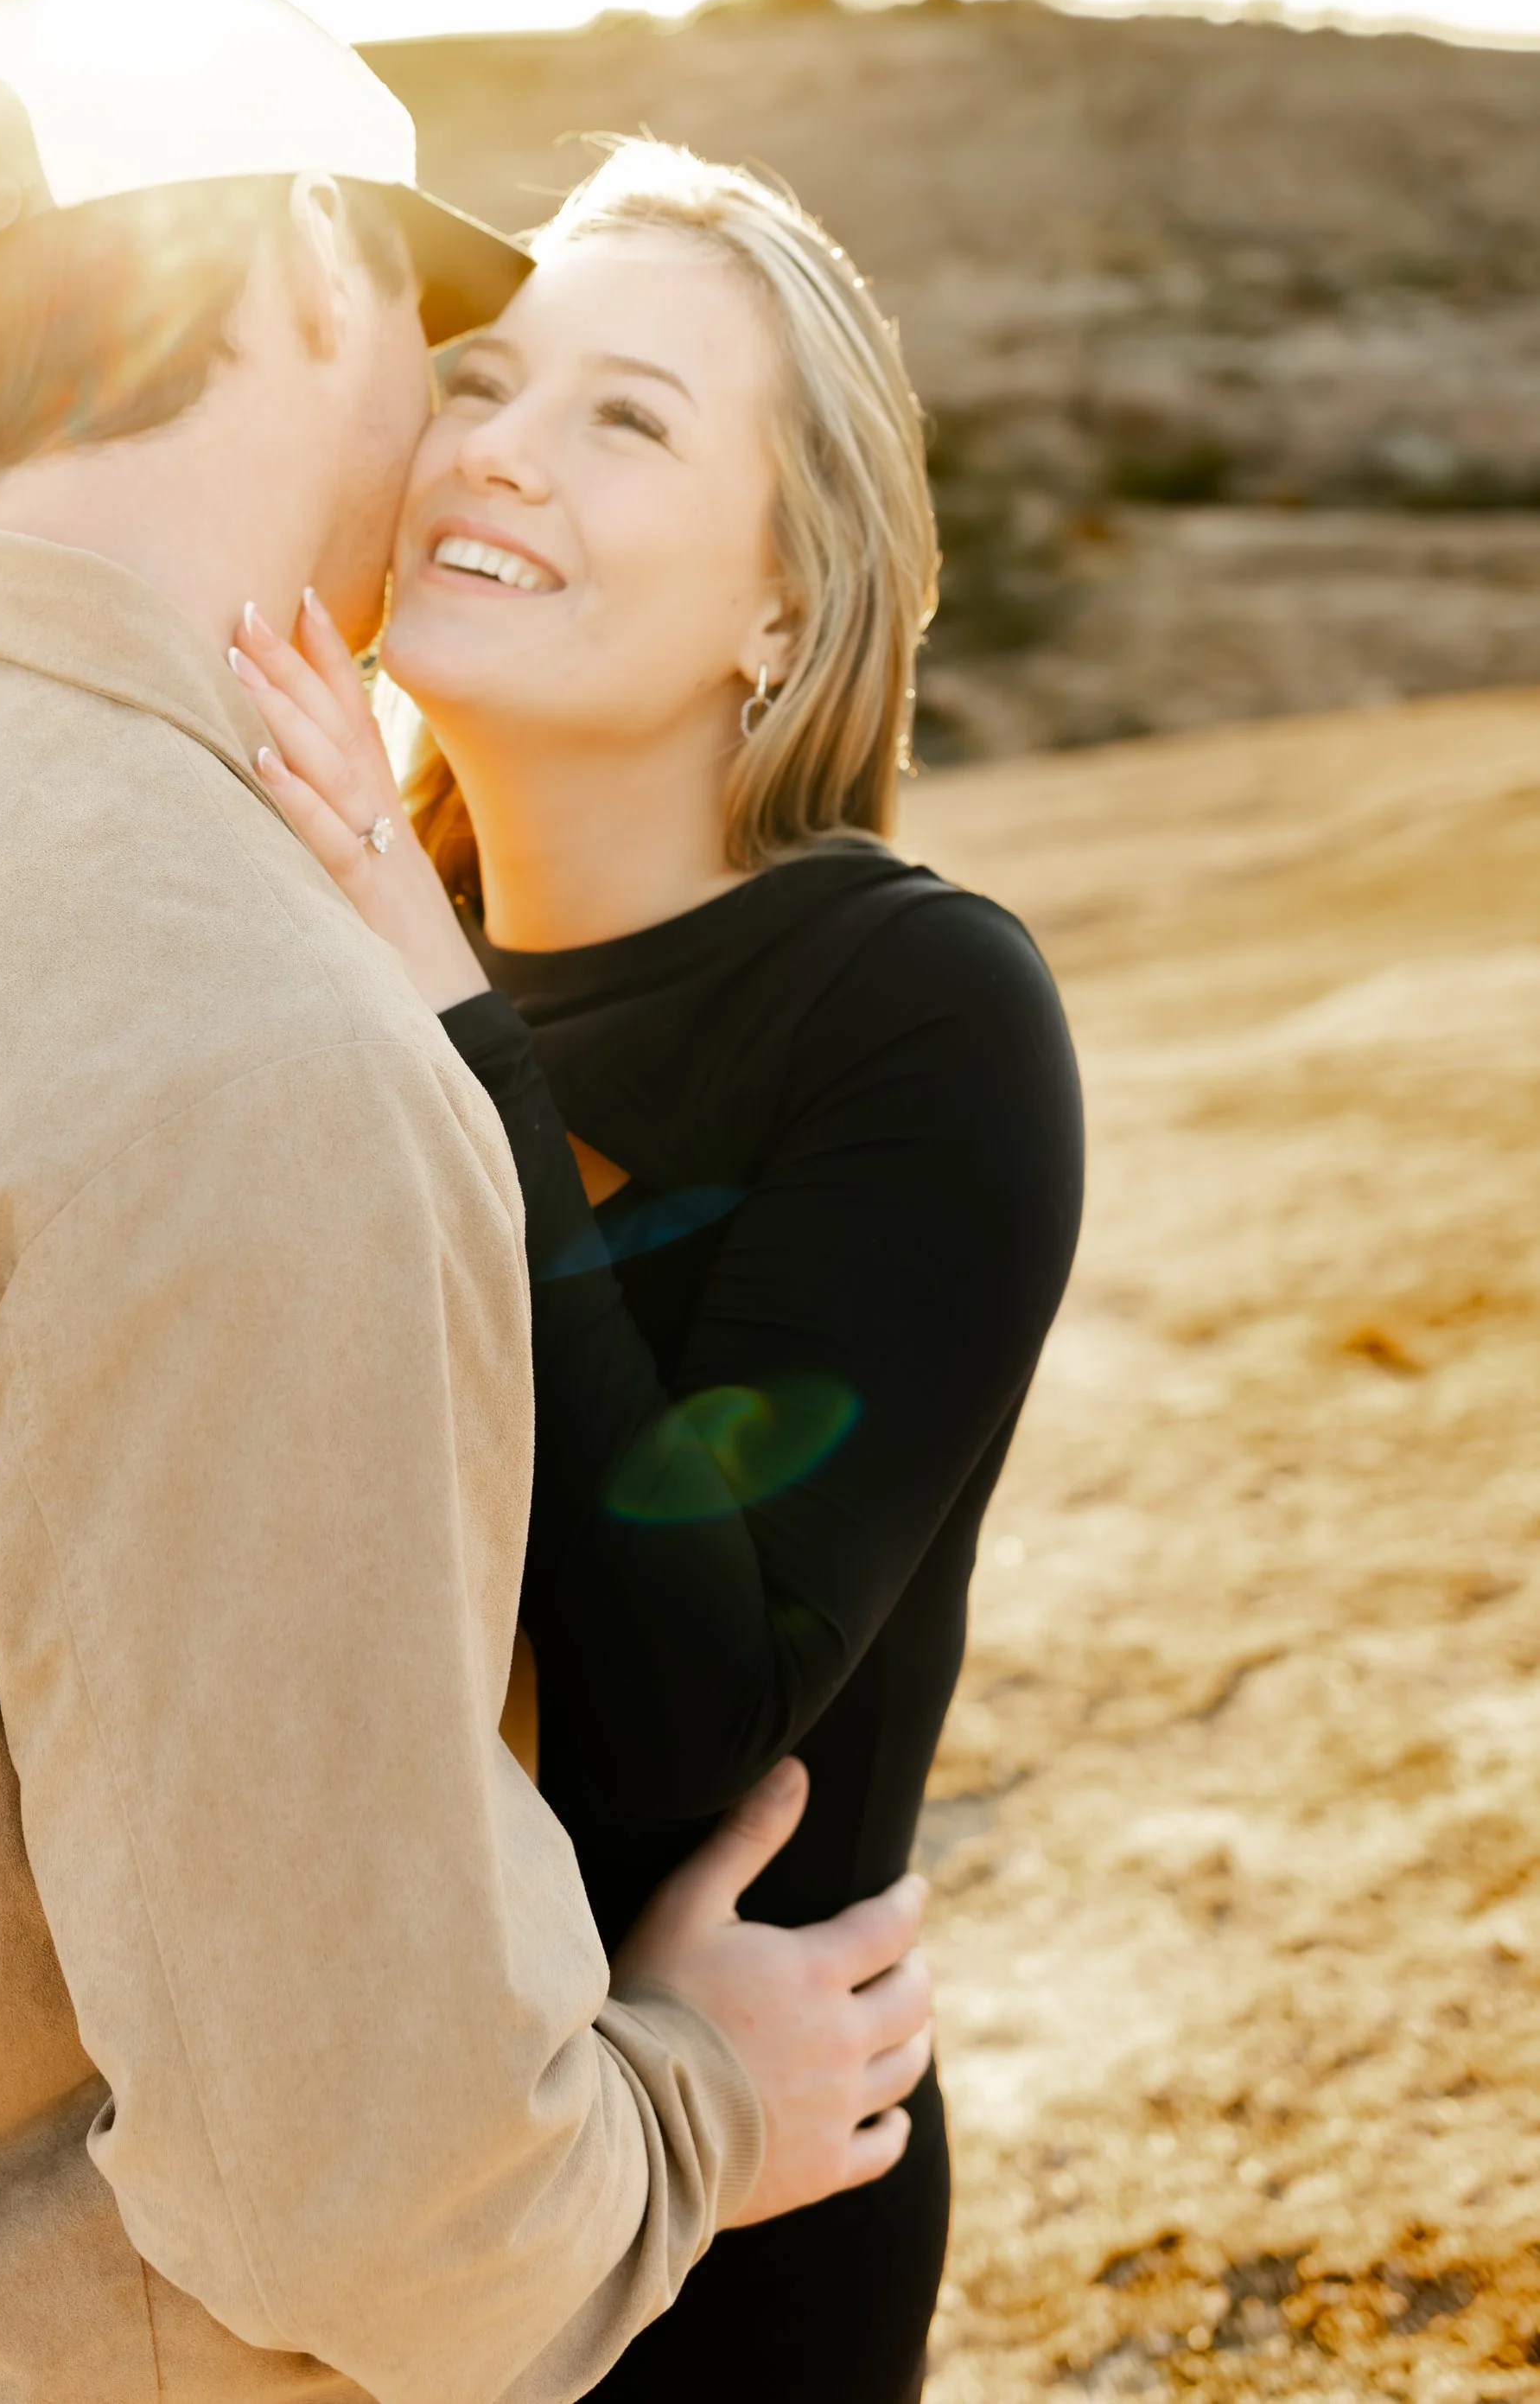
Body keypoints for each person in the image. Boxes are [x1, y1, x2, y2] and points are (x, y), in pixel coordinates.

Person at [0, 0, 937, 2404]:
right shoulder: (246, 1043)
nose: (444, 420)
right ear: (297, 271)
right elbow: (365, 2195)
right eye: (431, 323)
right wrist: (695, 2100)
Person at [233, 139, 1086, 2404]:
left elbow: (680, 1703)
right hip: (336, 2199)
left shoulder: (912, 1007)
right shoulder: (301, 942)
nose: (497, 442)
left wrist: (435, 1014)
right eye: (482, 378)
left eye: (625, 415)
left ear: (785, 607)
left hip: (732, 2223)